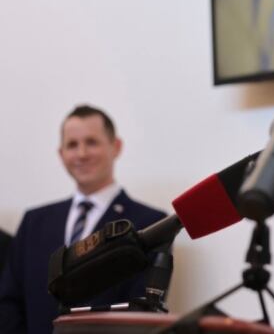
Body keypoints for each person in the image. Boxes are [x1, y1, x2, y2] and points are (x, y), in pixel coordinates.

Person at [0, 104, 167, 334]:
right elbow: (8, 302)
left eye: (91, 142)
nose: (81, 154)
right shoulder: (33, 222)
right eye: (72, 145)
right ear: (61, 154)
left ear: (116, 147)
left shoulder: (151, 223)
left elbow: (141, 315)